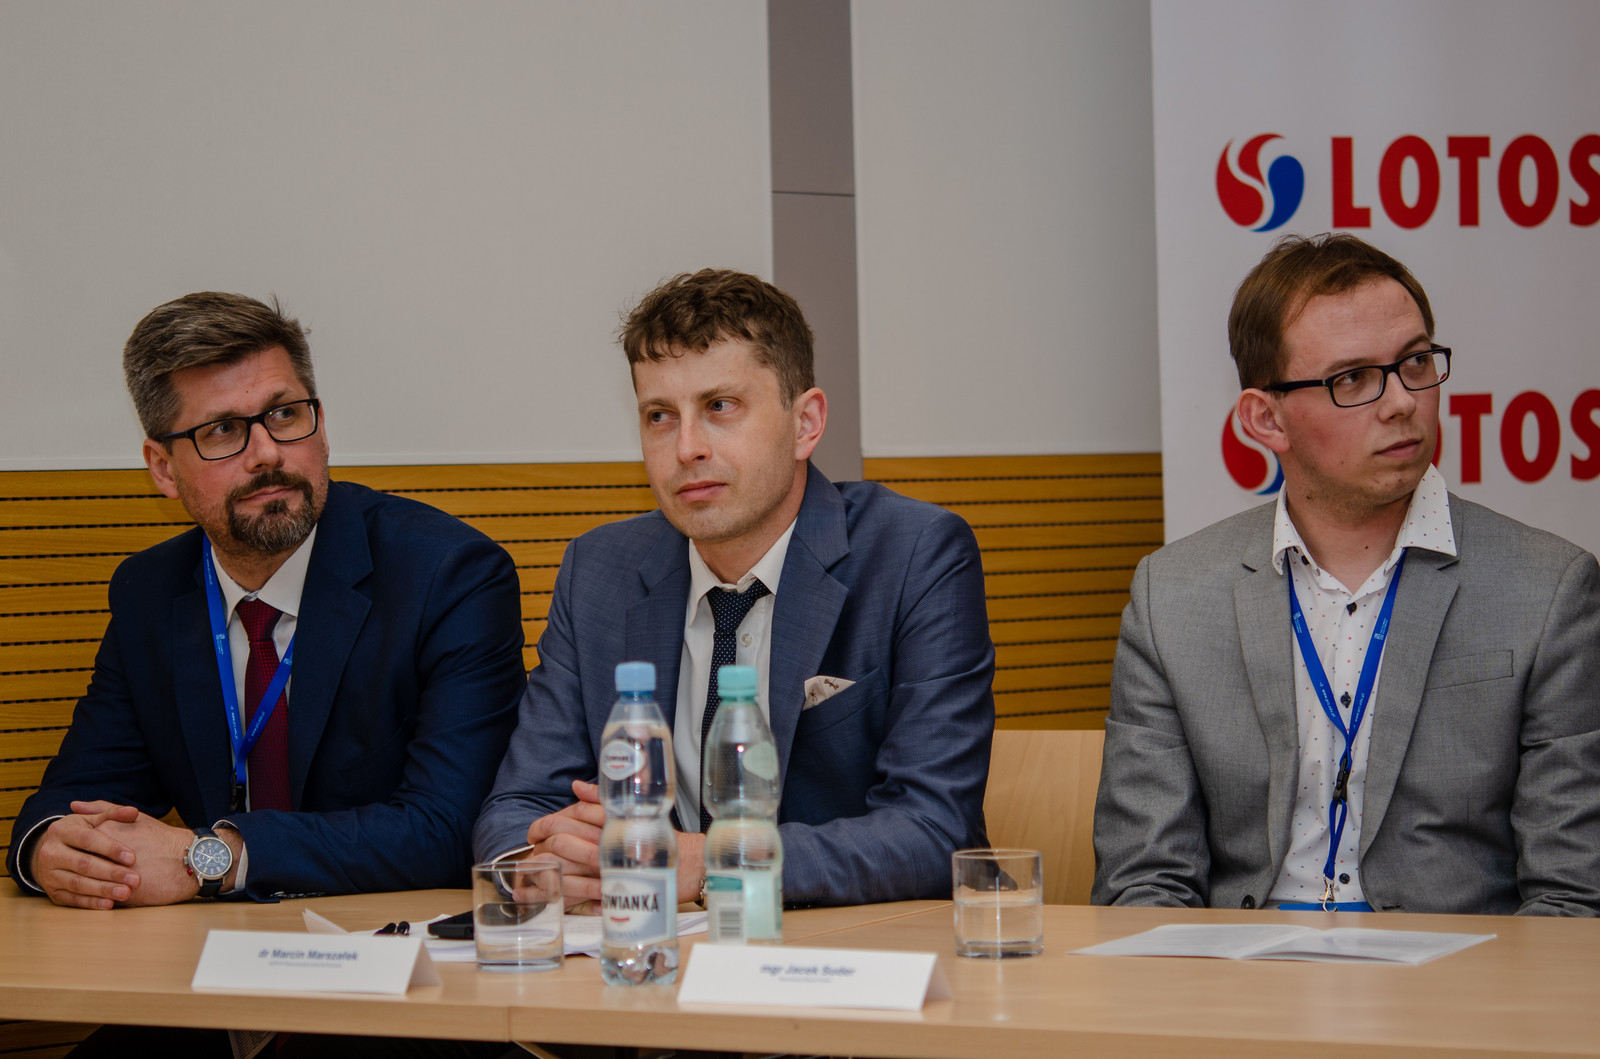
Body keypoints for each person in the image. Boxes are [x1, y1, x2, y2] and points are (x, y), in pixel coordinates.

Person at [1092, 233, 1600, 916]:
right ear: (1265, 419)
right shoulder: (1173, 598)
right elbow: (1143, 881)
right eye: (1352, 379)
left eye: (1415, 362)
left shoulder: (1548, 589)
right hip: (1243, 967)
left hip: (1454, 969)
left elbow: (1573, 897)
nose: (1402, 402)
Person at [473, 269, 994, 907]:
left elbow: (932, 830)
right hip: (655, 947)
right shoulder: (599, 571)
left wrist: (708, 863)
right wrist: (546, 861)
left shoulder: (914, 554)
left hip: (850, 948)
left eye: (720, 406)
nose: (686, 448)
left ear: (806, 423)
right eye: (660, 416)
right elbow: (519, 804)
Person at [7, 292, 527, 908]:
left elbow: (449, 829)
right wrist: (54, 850)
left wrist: (213, 857)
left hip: (381, 940)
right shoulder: (150, 591)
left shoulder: (448, 575)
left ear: (321, 425)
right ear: (163, 468)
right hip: (204, 949)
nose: (267, 453)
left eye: (284, 414)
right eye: (222, 430)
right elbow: (76, 798)